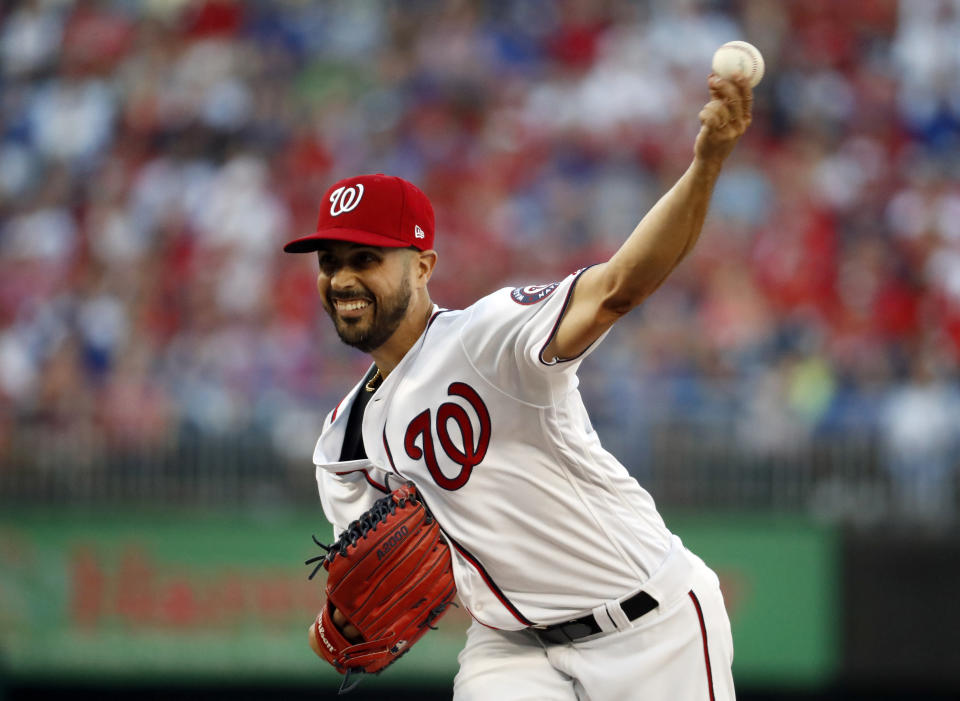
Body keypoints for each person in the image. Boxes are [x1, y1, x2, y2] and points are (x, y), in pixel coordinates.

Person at [285, 74, 752, 700]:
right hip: (509, 653)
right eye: (330, 261)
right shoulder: (342, 447)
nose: (342, 277)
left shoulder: (489, 337)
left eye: (365, 259)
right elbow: (385, 579)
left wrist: (706, 162)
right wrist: (352, 613)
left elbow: (618, 287)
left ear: (422, 266)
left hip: (648, 623)